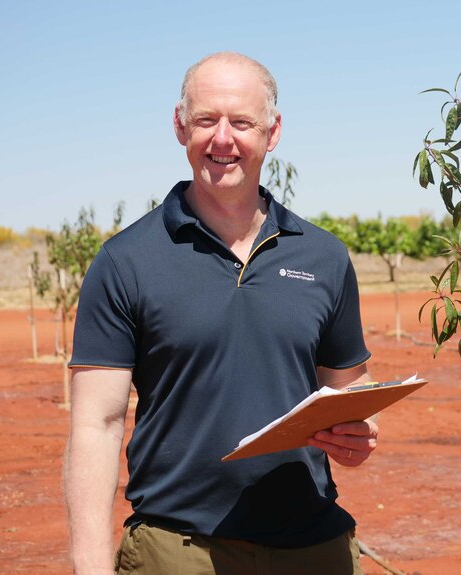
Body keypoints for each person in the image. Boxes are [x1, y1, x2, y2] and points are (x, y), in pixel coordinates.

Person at [64, 52, 377, 575]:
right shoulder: (126, 260)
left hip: (314, 548)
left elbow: (350, 382)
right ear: (180, 126)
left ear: (272, 132)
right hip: (179, 550)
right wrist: (91, 565)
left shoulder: (323, 256)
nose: (223, 139)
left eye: (242, 122)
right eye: (207, 120)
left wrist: (358, 430)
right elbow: (97, 423)